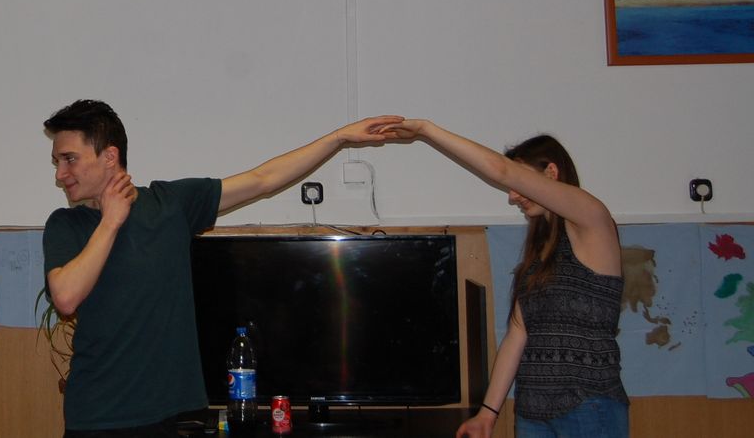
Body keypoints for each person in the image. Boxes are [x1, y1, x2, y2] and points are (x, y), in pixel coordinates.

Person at [41, 99, 401, 436]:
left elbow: (263, 179)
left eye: (69, 159)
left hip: (170, 414)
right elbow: (66, 298)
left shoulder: (170, 205)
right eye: (57, 162)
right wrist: (110, 222)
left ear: (109, 156)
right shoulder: (65, 225)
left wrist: (339, 138)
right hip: (98, 417)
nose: (60, 174)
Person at [382, 120, 628, 438]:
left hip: (588, 407)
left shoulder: (593, 218)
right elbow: (517, 333)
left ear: (551, 173)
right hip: (533, 413)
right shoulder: (538, 255)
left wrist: (427, 131)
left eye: (520, 183)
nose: (512, 197)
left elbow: (501, 171)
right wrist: (487, 414)